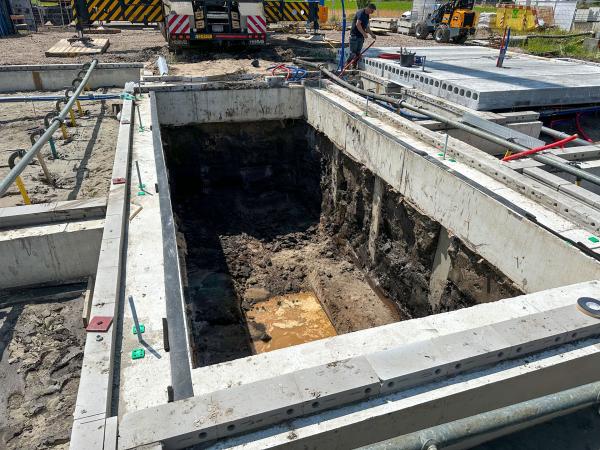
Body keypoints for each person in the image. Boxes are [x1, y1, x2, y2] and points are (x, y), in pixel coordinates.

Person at [349, 3, 377, 68]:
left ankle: (354, 67)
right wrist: (364, 33)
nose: (372, 12)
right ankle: (346, 66)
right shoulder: (361, 13)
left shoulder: (367, 15)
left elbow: (367, 27)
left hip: (360, 37)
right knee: (353, 53)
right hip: (354, 36)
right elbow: (358, 24)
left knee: (358, 53)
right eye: (372, 10)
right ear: (368, 8)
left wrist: (372, 34)